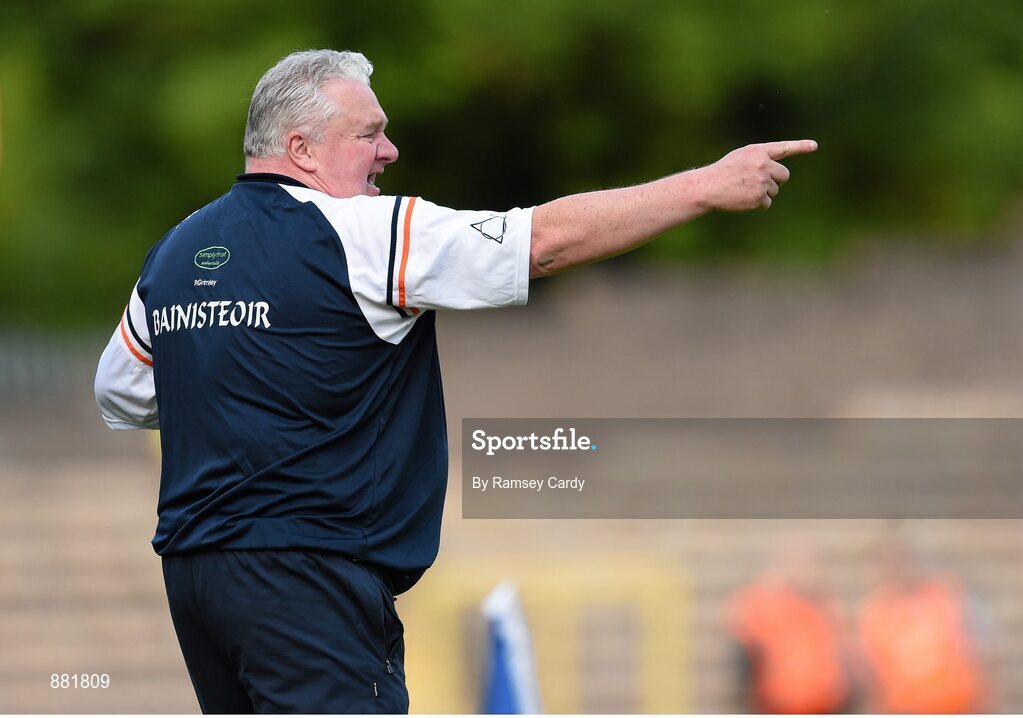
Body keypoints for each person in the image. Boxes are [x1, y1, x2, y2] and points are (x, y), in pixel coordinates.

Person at [94, 48, 817, 713]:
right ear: (301, 150)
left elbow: (121, 389)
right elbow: (544, 240)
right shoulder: (365, 232)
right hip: (309, 575)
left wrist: (246, 372)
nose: (389, 151)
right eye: (368, 134)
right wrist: (703, 186)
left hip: (196, 578)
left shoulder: (178, 248)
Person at [857, 533, 989, 713]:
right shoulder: (875, 613)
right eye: (891, 563)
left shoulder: (948, 595)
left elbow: (981, 654)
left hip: (959, 707)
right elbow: (871, 678)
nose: (898, 569)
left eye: (902, 560)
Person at [725, 536, 855, 713]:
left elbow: (842, 657)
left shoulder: (824, 604)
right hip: (778, 706)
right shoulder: (762, 602)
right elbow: (742, 651)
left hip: (825, 705)